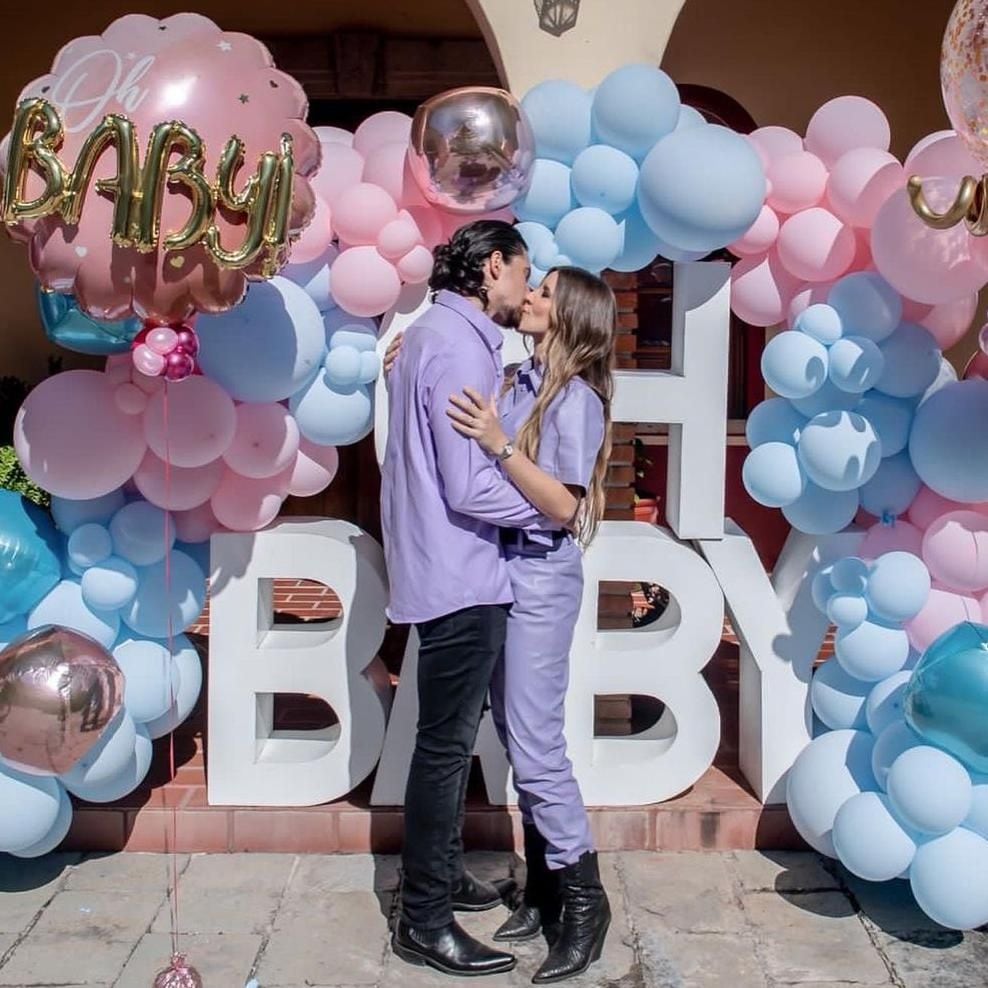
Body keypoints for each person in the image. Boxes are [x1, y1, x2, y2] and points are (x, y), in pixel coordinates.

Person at [387, 264, 616, 983]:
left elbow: (562, 505)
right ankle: (546, 890)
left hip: (542, 576)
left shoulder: (576, 401)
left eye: (545, 292)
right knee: (516, 735)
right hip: (500, 570)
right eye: (535, 285)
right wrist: (408, 361)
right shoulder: (519, 381)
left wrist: (498, 444)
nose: (531, 298)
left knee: (538, 744)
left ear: (572, 316)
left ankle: (585, 902)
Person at [381, 219, 550, 978]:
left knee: (443, 741)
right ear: (490, 268)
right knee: (445, 749)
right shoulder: (452, 345)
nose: (526, 287)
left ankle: (444, 875)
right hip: (460, 573)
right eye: (523, 271)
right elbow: (470, 482)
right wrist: (556, 507)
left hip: (446, 567)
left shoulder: (435, 338)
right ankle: (423, 919)